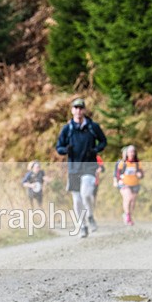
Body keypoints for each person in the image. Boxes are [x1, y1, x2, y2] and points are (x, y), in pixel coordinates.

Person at [55, 97, 107, 238]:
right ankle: (82, 225)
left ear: (84, 110)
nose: (78, 111)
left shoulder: (92, 127)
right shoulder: (68, 129)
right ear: (72, 111)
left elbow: (103, 141)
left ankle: (90, 215)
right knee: (77, 200)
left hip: (89, 166)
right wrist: (66, 150)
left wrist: (95, 150)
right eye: (75, 108)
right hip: (74, 168)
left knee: (86, 194)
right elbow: (58, 147)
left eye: (80, 108)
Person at [113, 145, 143, 225]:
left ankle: (127, 215)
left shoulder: (137, 163)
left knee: (132, 202)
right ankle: (128, 216)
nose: (132, 153)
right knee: (128, 198)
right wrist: (118, 180)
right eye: (130, 152)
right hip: (124, 184)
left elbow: (141, 173)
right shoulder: (122, 163)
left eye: (133, 152)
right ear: (127, 153)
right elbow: (117, 173)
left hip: (135, 184)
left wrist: (140, 174)